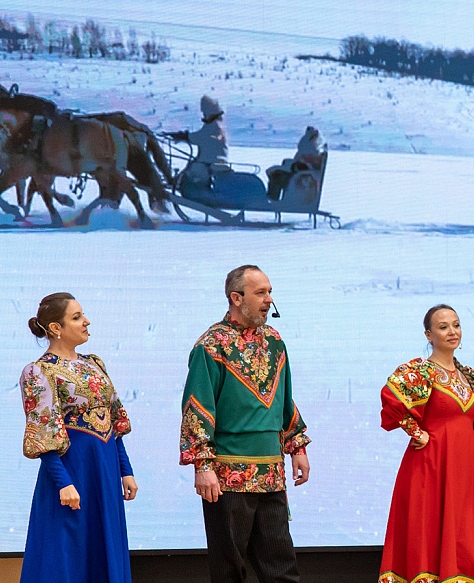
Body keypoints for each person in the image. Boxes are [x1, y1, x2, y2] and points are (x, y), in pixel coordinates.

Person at [179, 265, 311, 583]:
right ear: (236, 298)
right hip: (227, 473)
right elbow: (197, 408)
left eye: (269, 291)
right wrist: (203, 465)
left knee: (281, 564)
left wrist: (297, 446)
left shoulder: (275, 342)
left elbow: (284, 398)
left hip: (271, 471)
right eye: (260, 293)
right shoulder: (211, 346)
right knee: (230, 568)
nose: (269, 299)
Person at [378, 304, 474, 583]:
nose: (452, 331)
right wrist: (417, 432)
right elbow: (392, 401)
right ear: (429, 335)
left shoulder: (469, 376)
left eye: (456, 325)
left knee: (466, 538)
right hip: (429, 467)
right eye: (443, 327)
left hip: (464, 472)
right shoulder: (421, 371)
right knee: (427, 534)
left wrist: (471, 443)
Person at [18, 292, 137, 583]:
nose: (86, 322)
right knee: (68, 550)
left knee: (104, 541)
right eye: (76, 317)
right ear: (56, 328)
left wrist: (125, 470)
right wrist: (63, 482)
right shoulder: (39, 372)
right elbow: (43, 432)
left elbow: (113, 421)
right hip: (73, 471)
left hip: (104, 470)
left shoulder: (94, 364)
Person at [167, 95, 231, 200]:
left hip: (209, 163)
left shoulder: (213, 126)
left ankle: (182, 186)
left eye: (204, 112)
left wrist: (183, 136)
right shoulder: (218, 125)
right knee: (192, 164)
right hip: (215, 160)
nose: (203, 114)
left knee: (191, 170)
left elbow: (199, 137)